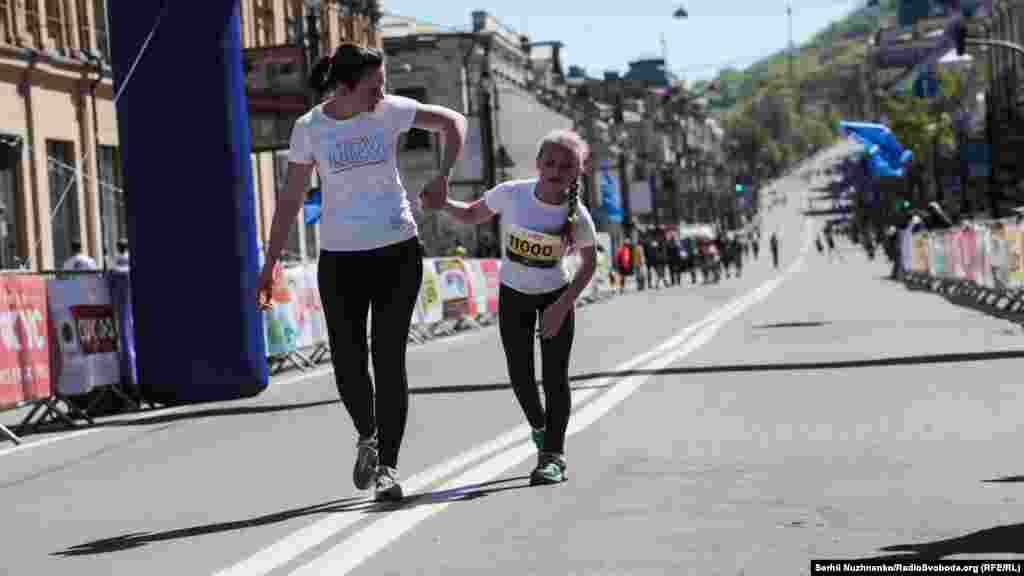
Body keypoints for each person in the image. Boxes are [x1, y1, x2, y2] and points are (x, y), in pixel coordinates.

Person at [256, 43, 467, 502]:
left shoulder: (389, 111)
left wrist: (443, 174)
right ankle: (367, 435)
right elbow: (290, 199)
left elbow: (454, 122)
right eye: (375, 85)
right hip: (341, 259)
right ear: (346, 86)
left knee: (389, 360)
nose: (383, 92)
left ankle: (387, 467)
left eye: (384, 84)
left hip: (397, 252)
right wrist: (270, 262)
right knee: (348, 361)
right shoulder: (310, 129)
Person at [438, 129, 597, 486]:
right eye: (550, 163)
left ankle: (553, 456)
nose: (556, 170)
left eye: (566, 166)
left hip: (555, 298)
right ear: (538, 163)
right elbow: (472, 213)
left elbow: (588, 265)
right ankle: (540, 426)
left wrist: (561, 307)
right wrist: (443, 204)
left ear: (578, 172)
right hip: (513, 295)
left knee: (555, 379)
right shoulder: (512, 194)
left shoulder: (579, 215)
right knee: (521, 375)